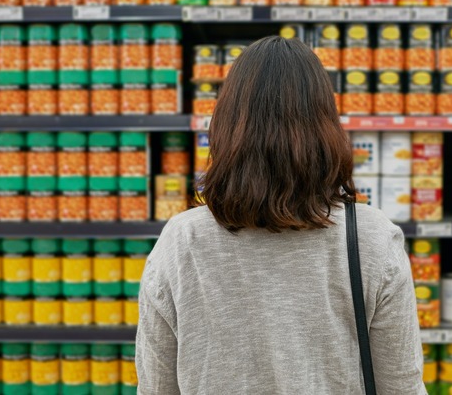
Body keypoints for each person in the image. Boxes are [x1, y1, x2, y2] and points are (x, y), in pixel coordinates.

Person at [136, 35, 425, 394]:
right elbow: (402, 387)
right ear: (326, 127)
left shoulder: (183, 241)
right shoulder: (371, 238)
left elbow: (156, 388)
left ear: (226, 126)